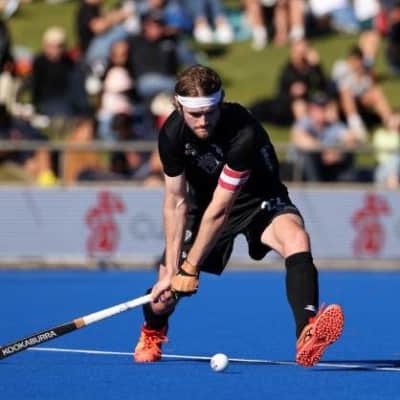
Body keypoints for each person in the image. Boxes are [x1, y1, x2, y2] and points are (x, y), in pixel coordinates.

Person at [132, 65, 344, 368]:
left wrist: (190, 268)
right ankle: (153, 331)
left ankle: (307, 331)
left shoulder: (244, 131)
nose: (203, 121)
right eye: (195, 114)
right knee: (163, 296)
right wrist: (173, 268)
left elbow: (222, 209)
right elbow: (176, 202)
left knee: (296, 238)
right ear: (179, 106)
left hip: (258, 198)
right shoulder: (171, 134)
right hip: (203, 205)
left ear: (221, 102)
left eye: (210, 112)